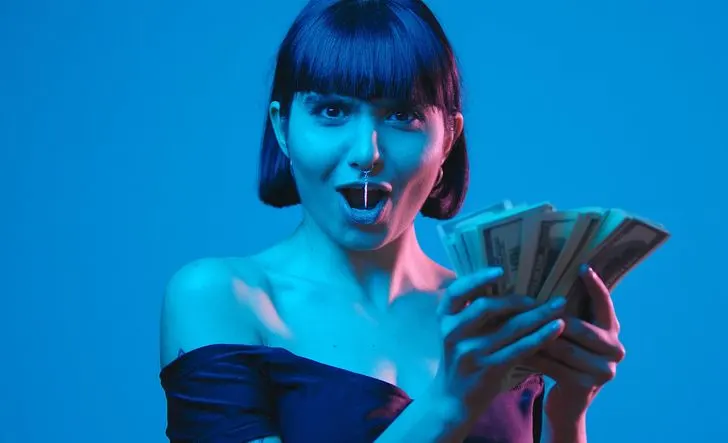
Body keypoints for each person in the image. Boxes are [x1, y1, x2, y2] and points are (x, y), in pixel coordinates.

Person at [158, 1, 626, 442]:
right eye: (332, 111)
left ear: (448, 140)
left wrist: (569, 409)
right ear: (283, 126)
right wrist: (448, 404)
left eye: (403, 115)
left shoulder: (489, 315)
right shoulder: (221, 296)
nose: (367, 153)